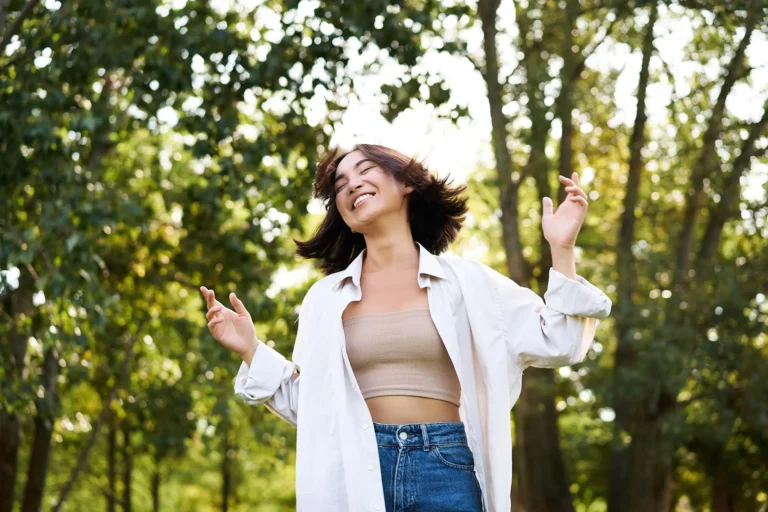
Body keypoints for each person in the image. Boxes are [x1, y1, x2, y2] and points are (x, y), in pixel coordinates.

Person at [200, 143, 612, 512]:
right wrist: (251, 349)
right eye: (340, 183)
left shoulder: (468, 283)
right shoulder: (325, 299)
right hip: (357, 467)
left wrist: (562, 248)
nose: (351, 185)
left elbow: (559, 341)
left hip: (446, 466)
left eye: (365, 170)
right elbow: (314, 408)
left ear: (406, 183)